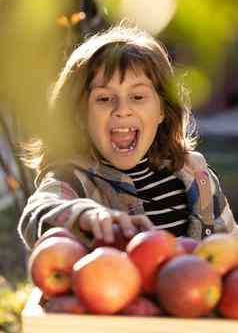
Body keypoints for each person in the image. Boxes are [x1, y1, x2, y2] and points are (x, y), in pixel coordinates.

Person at [18, 23, 238, 250]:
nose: (122, 109)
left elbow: (230, 250)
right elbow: (38, 213)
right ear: (80, 115)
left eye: (138, 96)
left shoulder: (197, 175)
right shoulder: (72, 178)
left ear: (162, 109)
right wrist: (82, 215)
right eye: (104, 99)